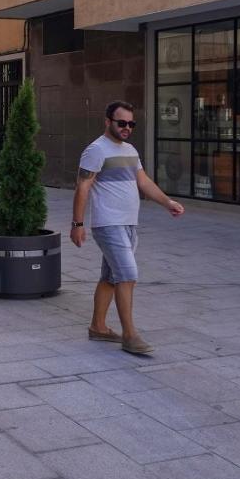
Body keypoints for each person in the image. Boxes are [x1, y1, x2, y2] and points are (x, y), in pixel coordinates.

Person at [70, 100, 184, 355]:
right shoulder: (96, 150)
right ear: (108, 121)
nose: (127, 128)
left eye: (131, 124)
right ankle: (130, 336)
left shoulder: (131, 150)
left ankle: (98, 327)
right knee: (127, 274)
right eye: (122, 123)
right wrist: (77, 224)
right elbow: (83, 186)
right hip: (108, 224)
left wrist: (167, 202)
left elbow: (143, 182)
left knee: (111, 277)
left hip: (129, 223)